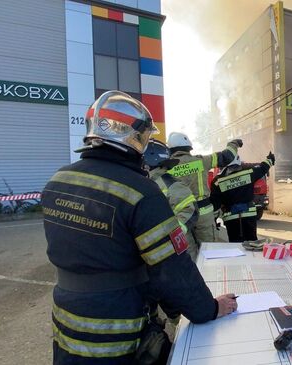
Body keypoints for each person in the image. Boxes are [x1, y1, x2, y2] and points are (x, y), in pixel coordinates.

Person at [43, 91, 237, 364]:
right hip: (116, 331)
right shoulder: (140, 192)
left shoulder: (58, 180)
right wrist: (209, 308)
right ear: (132, 136)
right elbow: (172, 270)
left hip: (66, 320)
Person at [167, 132, 243, 243]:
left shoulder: (166, 168)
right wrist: (234, 143)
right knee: (208, 249)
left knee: (188, 252)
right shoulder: (201, 161)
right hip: (204, 214)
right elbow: (226, 156)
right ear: (189, 147)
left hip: (182, 216)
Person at [144, 140, 200, 260]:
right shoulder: (147, 183)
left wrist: (172, 233)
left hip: (179, 249)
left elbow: (190, 210)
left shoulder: (170, 184)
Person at [210, 152, 275, 242]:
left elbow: (215, 205)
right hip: (249, 216)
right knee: (252, 243)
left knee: (235, 246)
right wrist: (270, 159)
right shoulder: (249, 173)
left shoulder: (217, 181)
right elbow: (263, 168)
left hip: (231, 219)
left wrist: (213, 221)